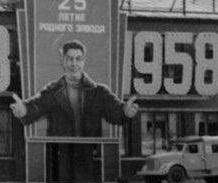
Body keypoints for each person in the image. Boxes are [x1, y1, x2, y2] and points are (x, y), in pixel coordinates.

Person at [10, 40, 139, 137]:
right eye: (69, 59)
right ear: (63, 61)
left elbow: (114, 110)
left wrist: (125, 111)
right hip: (61, 155)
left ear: (84, 61)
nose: (74, 63)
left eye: (78, 59)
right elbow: (36, 106)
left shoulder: (99, 92)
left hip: (89, 155)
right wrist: (24, 110)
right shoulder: (52, 90)